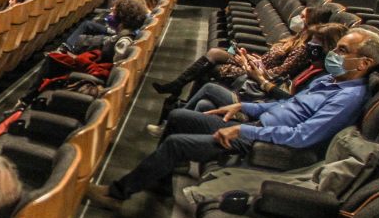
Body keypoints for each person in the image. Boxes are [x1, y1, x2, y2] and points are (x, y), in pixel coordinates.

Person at [89, 29, 379, 205]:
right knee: (180, 116)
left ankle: (117, 194)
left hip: (271, 145)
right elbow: (286, 106)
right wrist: (244, 108)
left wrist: (244, 132)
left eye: (342, 50)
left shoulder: (348, 98)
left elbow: (304, 137)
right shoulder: (329, 81)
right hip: (257, 126)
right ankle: (160, 180)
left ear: (364, 62)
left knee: (176, 144)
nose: (333, 53)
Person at [146, 23, 348, 135]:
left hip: (261, 99)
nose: (310, 45)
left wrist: (260, 79)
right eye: (311, 40)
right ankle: (176, 117)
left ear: (328, 47)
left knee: (209, 82)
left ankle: (173, 116)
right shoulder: (315, 67)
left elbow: (288, 97)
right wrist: (253, 62)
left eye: (316, 42)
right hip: (261, 92)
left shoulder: (323, 75)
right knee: (209, 78)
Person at [151, 5, 334, 97]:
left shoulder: (303, 49)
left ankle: (176, 93)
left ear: (311, 22)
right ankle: (177, 91)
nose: (297, 18)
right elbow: (273, 60)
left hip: (256, 74)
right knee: (215, 53)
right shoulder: (295, 38)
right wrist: (253, 58)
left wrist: (254, 67)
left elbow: (280, 72)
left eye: (302, 17)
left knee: (208, 67)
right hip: (256, 64)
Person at [60, 0, 148, 54]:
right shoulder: (126, 34)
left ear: (123, 17)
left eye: (113, 12)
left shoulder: (121, 42)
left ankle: (69, 46)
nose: (110, 14)